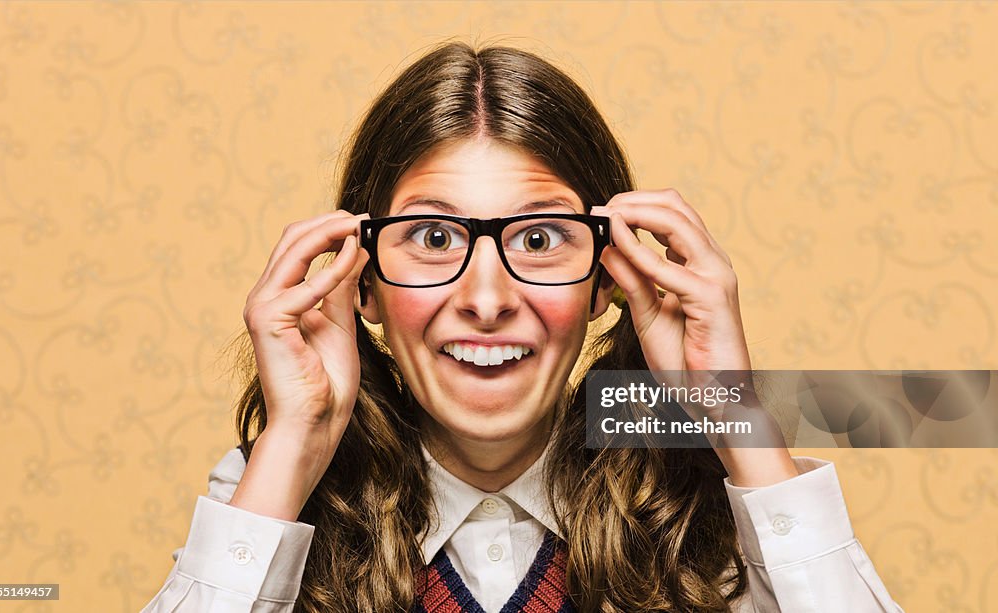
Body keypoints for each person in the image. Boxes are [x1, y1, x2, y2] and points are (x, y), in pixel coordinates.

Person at [142, 41, 904, 612]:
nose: (486, 297)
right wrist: (292, 444)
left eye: (538, 240)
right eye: (434, 237)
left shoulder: (704, 504)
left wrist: (736, 416)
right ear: (361, 281)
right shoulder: (272, 497)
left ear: (612, 276)